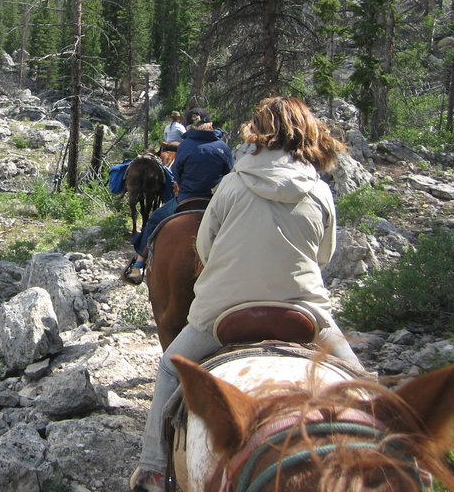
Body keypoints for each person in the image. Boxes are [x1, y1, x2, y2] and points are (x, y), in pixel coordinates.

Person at [129, 97, 366, 492]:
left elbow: (204, 248)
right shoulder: (320, 191)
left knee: (172, 367)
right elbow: (323, 255)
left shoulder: (232, 184)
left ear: (257, 134)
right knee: (360, 382)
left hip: (223, 313)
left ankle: (153, 468)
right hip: (303, 311)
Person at [123, 109, 233, 284]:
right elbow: (230, 174)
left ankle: (138, 265)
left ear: (189, 127)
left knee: (154, 220)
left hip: (185, 200)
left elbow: (176, 175)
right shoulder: (223, 148)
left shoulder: (185, 146)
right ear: (210, 125)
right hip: (214, 203)